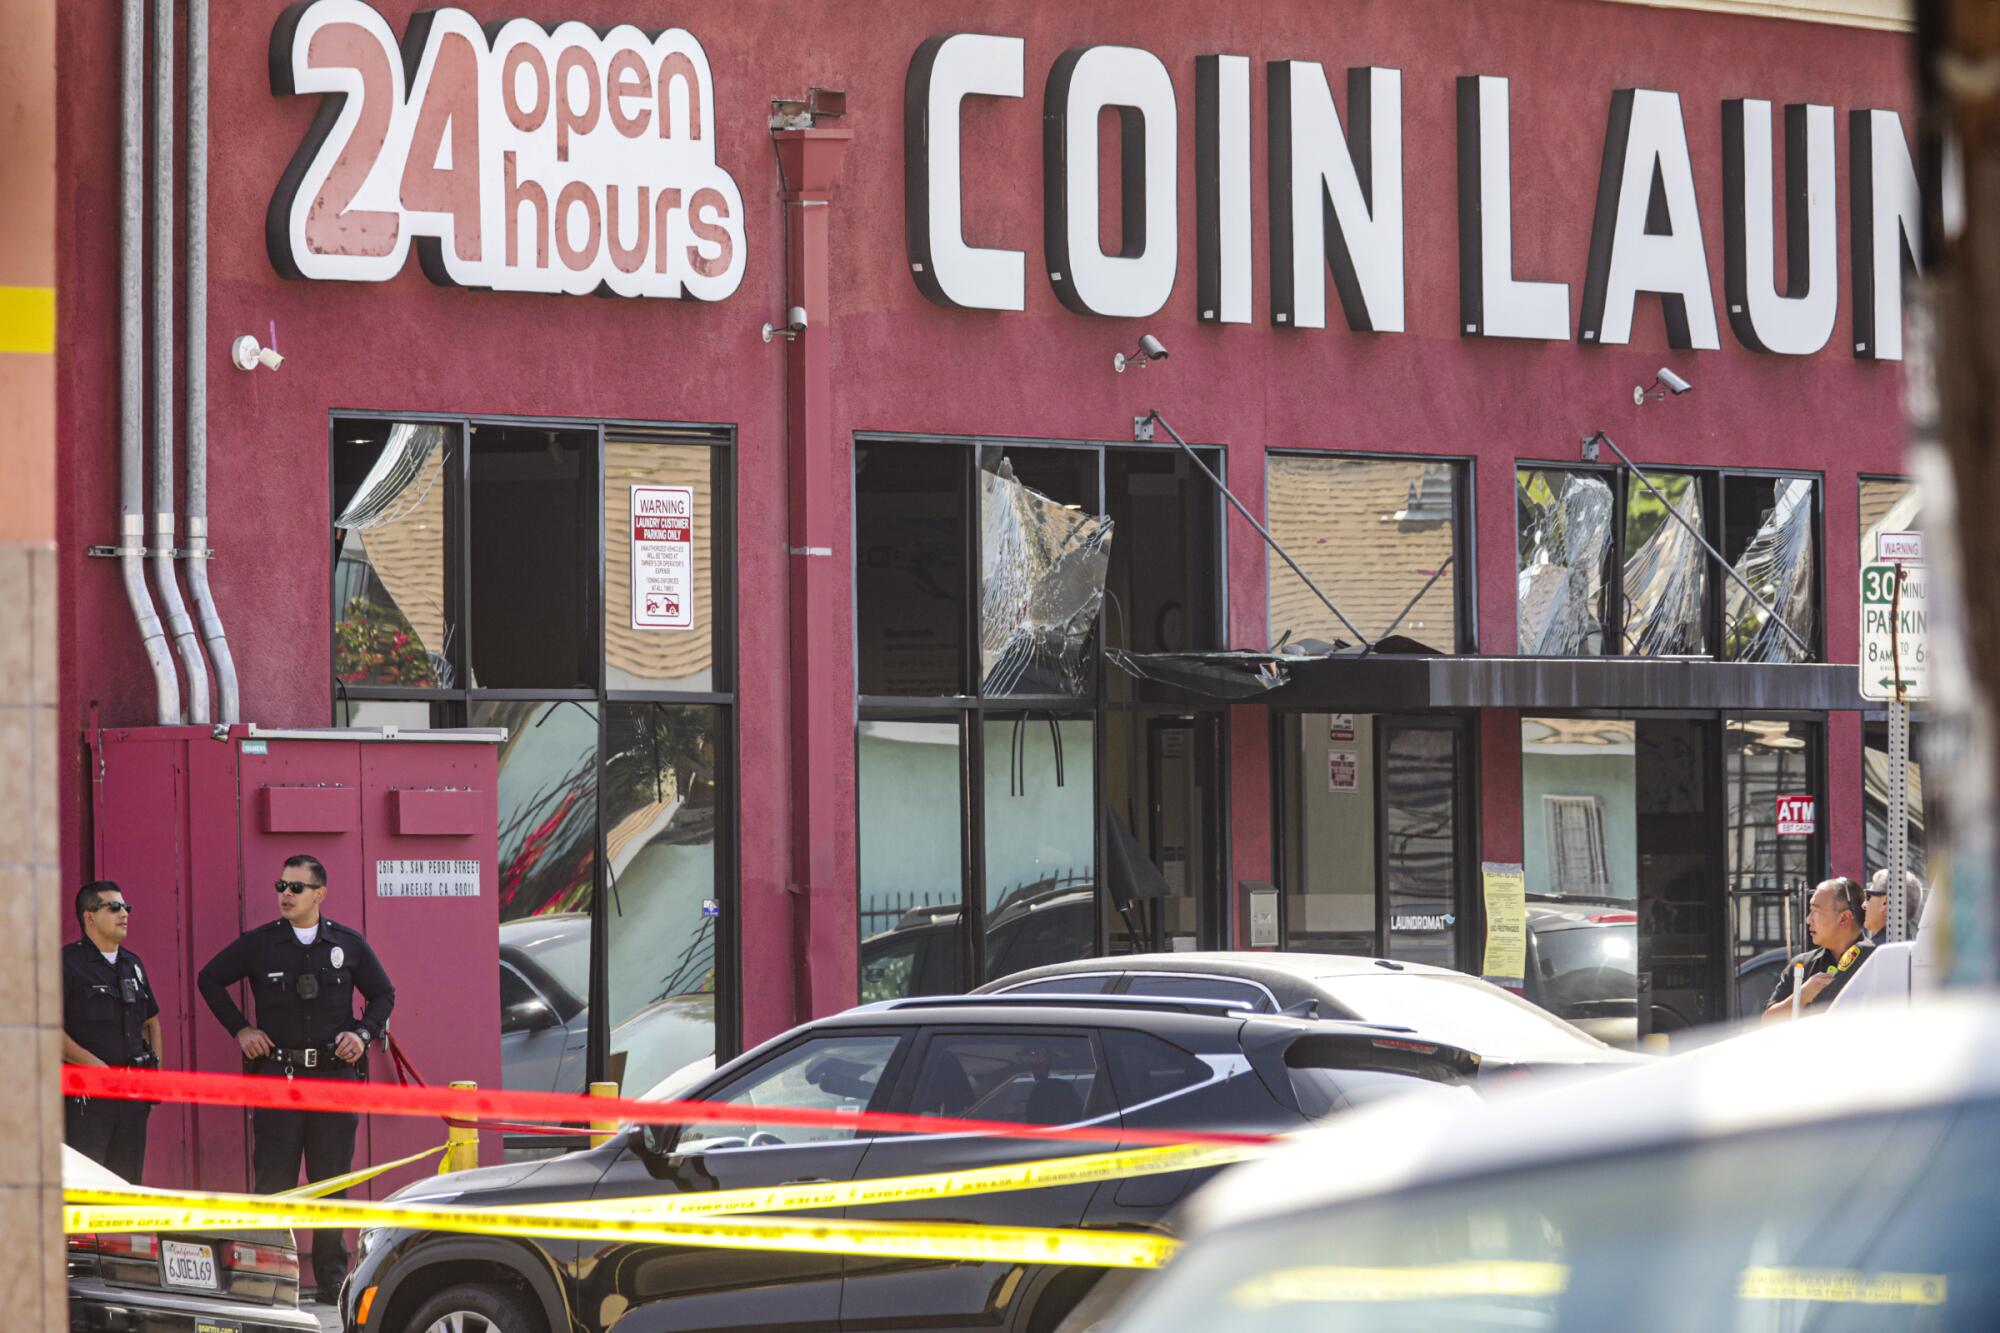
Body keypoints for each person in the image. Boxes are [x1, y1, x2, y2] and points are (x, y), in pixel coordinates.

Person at [197, 855, 394, 1303]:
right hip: (278, 1079)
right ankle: (269, 1278)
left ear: (320, 894)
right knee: (274, 1180)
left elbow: (384, 992)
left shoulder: (347, 943)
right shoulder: (260, 945)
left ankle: (330, 1282)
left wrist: (363, 1034)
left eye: (296, 887)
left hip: (332, 1081)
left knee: (332, 1180)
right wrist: (241, 1029)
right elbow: (209, 978)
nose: (285, 894)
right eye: (281, 885)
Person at [60, 880, 161, 1180]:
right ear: (89, 917)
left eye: (126, 907)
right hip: (86, 1100)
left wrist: (155, 1081)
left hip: (132, 1098)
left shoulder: (133, 964)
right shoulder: (67, 963)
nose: (124, 913)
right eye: (113, 907)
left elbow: (151, 1022)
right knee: (84, 1190)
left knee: (126, 1188)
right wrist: (98, 1069)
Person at [1763, 877, 1876, 1022]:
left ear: (1844, 918)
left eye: (1815, 911)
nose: (1808, 920)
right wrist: (1802, 996)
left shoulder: (1874, 960)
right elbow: (1767, 1022)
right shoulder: (1802, 965)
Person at [1865, 868, 1925, 944]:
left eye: (1868, 896)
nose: (1864, 904)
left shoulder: (1862, 951)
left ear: (1885, 902)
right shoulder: (1915, 951)